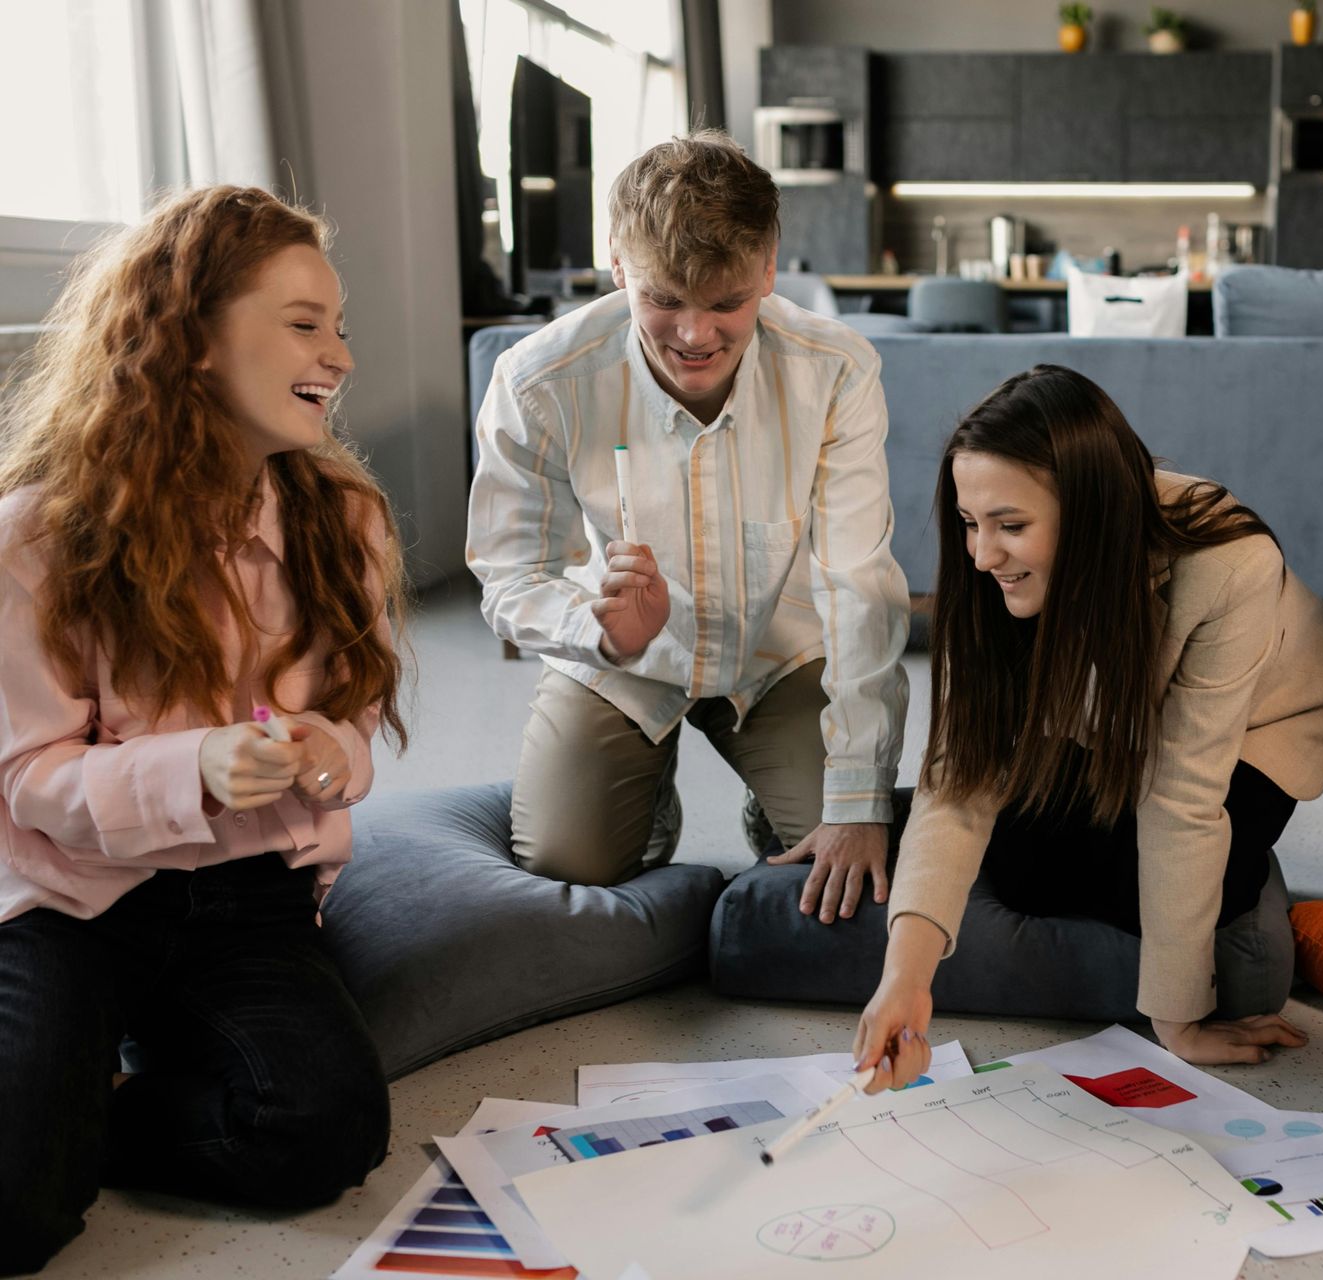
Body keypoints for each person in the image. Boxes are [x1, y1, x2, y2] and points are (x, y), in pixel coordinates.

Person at [0, 186, 407, 1274]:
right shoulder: (37, 537)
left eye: (340, 323)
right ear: (189, 339)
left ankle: (96, 1110)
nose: (342, 355)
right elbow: (26, 777)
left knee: (323, 1129)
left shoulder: (343, 519)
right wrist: (196, 764)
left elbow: (357, 711)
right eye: (305, 322)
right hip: (69, 893)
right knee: (10, 1211)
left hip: (246, 890)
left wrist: (334, 749)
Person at [850, 365, 1323, 1082]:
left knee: (1161, 880)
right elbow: (960, 775)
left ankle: (1247, 879)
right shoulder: (992, 573)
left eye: (1011, 526)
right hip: (1112, 717)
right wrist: (905, 977)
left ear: (1085, 512)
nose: (981, 555)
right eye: (970, 523)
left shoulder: (1231, 565)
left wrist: (1177, 1020)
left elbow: (1184, 795)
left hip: (1257, 728)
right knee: (1024, 869)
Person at [468, 131, 909, 918]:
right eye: (663, 300)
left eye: (728, 303)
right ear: (618, 267)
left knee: (849, 858)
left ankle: (767, 803)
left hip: (779, 646)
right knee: (566, 859)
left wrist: (859, 796)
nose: (695, 335)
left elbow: (861, 588)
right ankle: (649, 799)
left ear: (770, 270)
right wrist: (597, 630)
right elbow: (507, 576)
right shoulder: (538, 380)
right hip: (620, 653)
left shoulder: (837, 370)